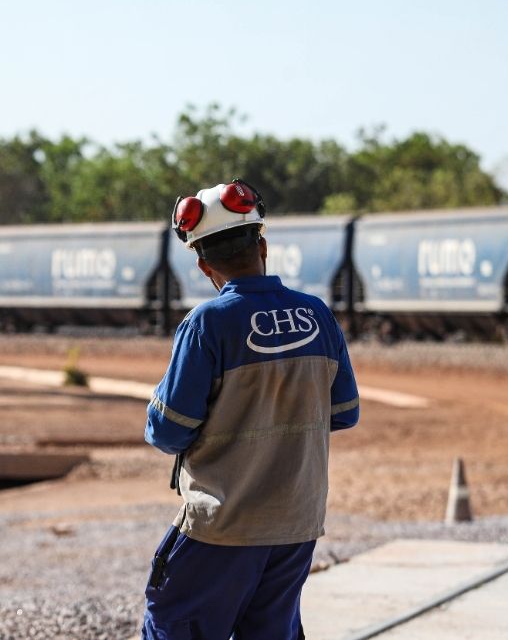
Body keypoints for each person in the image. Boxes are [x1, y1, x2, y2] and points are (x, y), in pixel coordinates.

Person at [141, 180, 361, 639]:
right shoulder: (317, 315)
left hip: (223, 526)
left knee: (174, 624)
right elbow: (344, 412)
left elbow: (168, 430)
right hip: (296, 526)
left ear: (204, 265)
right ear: (262, 246)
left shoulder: (206, 325)